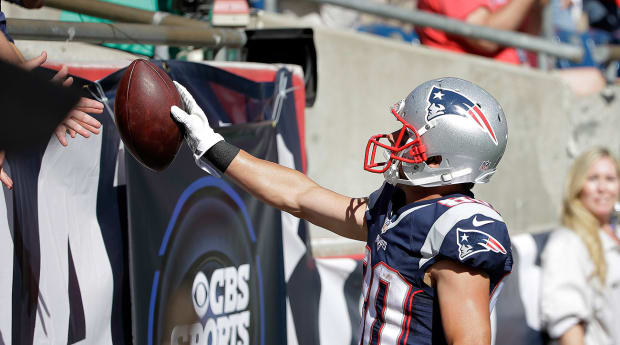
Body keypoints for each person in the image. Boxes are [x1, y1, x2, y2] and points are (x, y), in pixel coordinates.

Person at [169, 77, 513, 345]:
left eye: (407, 135)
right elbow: (300, 196)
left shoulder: (458, 228)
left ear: (439, 160)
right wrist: (213, 147)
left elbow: (469, 340)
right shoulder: (398, 205)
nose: (394, 139)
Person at [541, 147, 620, 345]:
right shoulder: (568, 243)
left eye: (610, 179)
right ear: (577, 185)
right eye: (593, 178)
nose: (602, 188)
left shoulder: (613, 234)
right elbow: (568, 326)